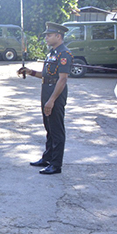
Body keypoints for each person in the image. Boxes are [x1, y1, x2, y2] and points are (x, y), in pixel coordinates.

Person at [17, 22, 73, 175]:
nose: (46, 38)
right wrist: (30, 72)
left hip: (56, 93)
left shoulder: (64, 54)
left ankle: (56, 164)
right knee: (49, 127)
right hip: (46, 90)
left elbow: (62, 79)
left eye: (49, 35)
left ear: (58, 36)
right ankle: (47, 158)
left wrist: (52, 100)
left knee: (56, 129)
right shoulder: (52, 53)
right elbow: (46, 75)